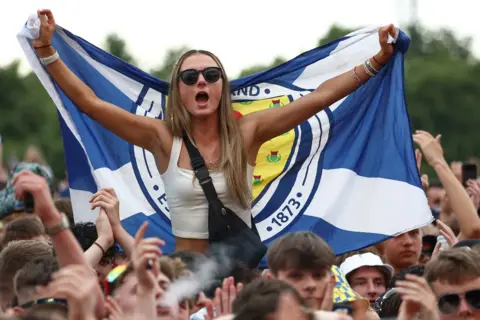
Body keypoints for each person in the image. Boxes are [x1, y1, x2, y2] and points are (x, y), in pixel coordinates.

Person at [32, 9, 395, 254]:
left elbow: (320, 97)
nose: (201, 82)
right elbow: (91, 105)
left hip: (241, 273)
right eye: (190, 77)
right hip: (186, 276)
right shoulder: (162, 139)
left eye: (211, 75)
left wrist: (376, 61)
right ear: (179, 91)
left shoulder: (249, 132)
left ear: (223, 87)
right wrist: (47, 50)